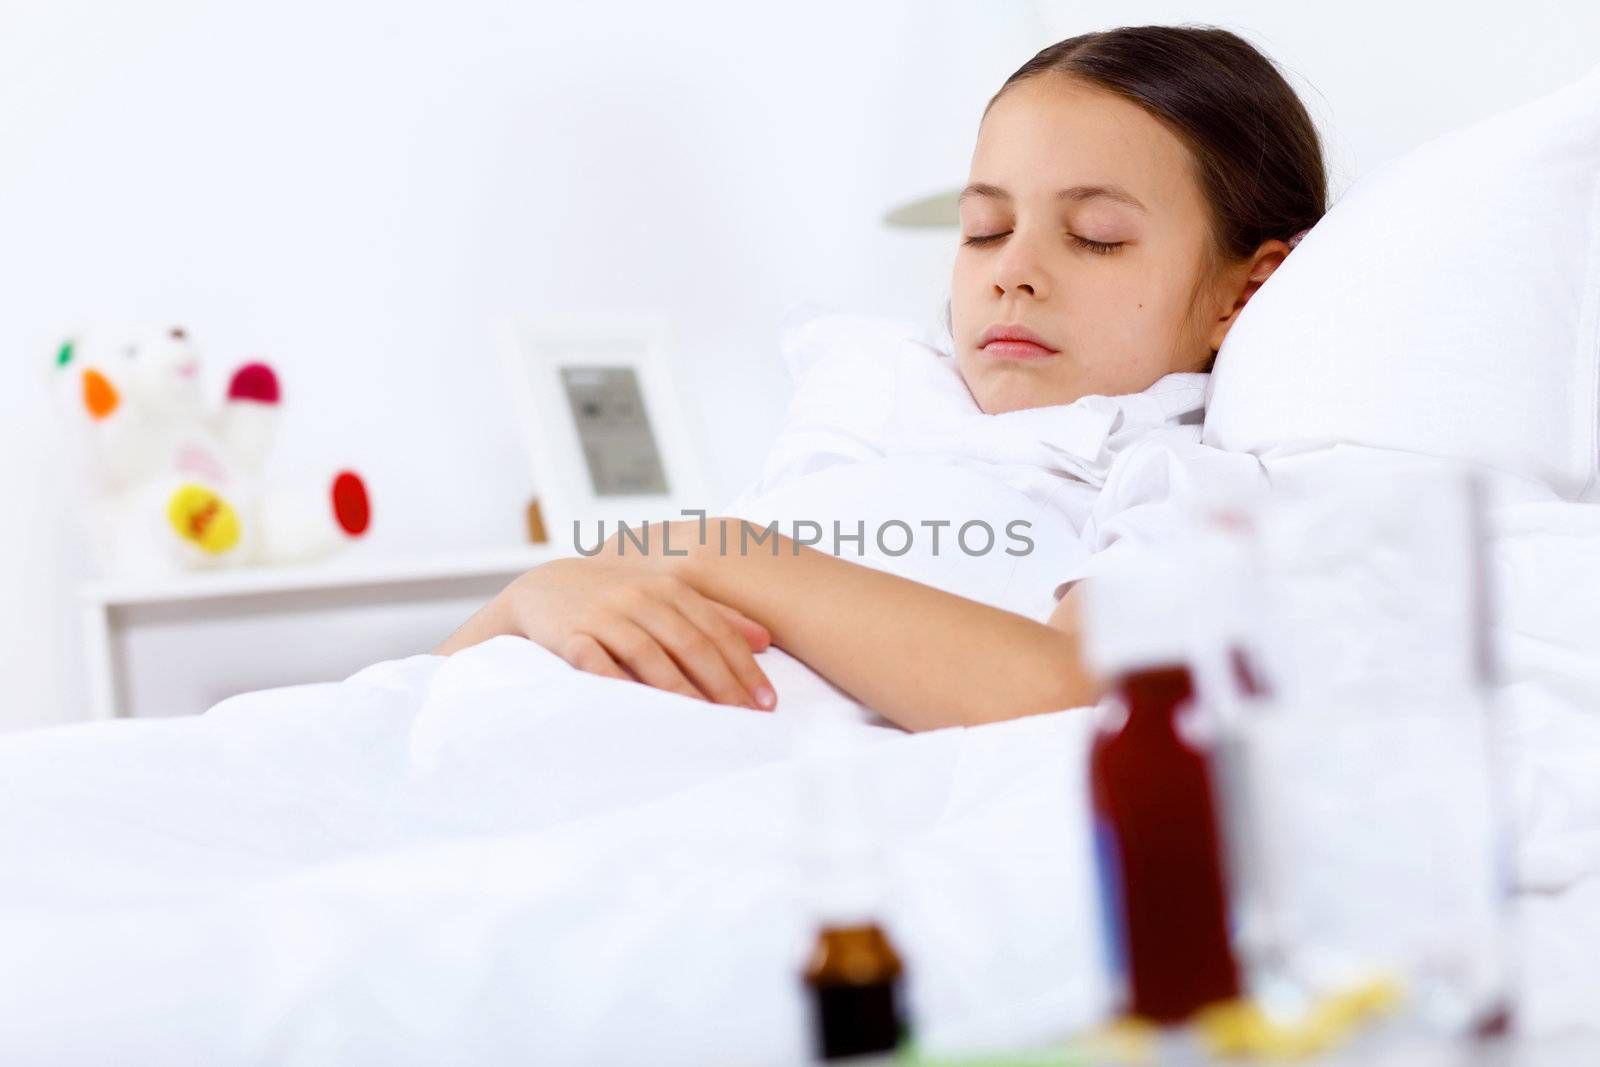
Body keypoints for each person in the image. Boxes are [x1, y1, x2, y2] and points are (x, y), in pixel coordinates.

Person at [436, 25, 1327, 732]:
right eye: (983, 229)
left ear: (1244, 292)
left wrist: (709, 549)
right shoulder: (867, 433)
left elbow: (1070, 693)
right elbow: (431, 686)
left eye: (1094, 234)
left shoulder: (1173, 481)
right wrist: (533, 595)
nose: (1010, 272)